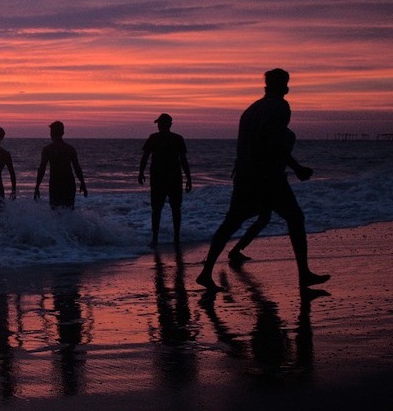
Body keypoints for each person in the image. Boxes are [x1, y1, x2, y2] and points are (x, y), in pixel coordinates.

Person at [195, 69, 330, 290]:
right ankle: (304, 274)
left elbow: (250, 144)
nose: (288, 87)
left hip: (244, 175)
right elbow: (273, 143)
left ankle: (206, 271)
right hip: (267, 176)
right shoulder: (279, 107)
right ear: (283, 86)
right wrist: (297, 168)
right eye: (286, 83)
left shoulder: (251, 110)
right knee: (295, 218)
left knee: (231, 223)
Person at [227, 129, 313, 263]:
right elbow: (280, 154)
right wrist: (297, 169)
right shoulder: (283, 135)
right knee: (284, 217)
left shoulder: (262, 134)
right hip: (268, 182)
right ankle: (230, 252)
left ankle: (234, 251)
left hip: (260, 180)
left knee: (261, 218)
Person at [138, 113, 192, 247]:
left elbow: (145, 157)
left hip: (159, 178)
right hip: (173, 177)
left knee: (158, 209)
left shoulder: (154, 138)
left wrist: (140, 172)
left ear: (163, 125)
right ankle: (175, 238)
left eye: (159, 124)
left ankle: (156, 239)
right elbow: (183, 160)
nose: (158, 126)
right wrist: (189, 178)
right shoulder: (177, 139)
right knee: (174, 209)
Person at [33, 121, 87, 209]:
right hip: (69, 183)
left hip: (55, 183)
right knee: (69, 210)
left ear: (51, 133)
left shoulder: (48, 149)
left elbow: (42, 169)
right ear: (63, 133)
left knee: (55, 211)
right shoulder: (70, 149)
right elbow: (77, 168)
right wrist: (83, 183)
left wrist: (37, 187)